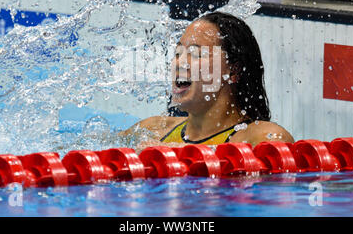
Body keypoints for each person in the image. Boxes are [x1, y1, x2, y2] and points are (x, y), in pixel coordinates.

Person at [123, 11, 294, 148]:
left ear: (233, 71)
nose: (180, 63)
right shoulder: (153, 129)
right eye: (177, 53)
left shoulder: (261, 137)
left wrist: (179, 152)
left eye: (196, 54)